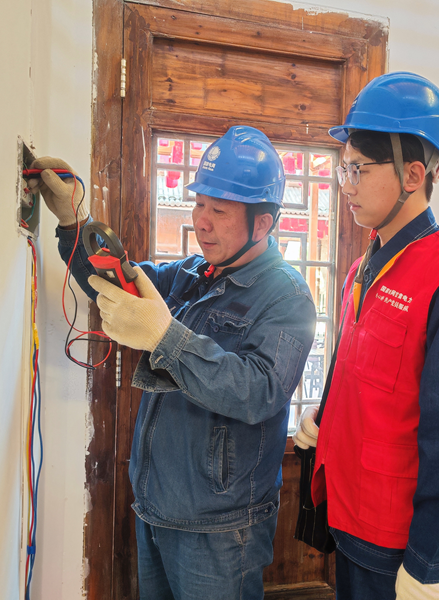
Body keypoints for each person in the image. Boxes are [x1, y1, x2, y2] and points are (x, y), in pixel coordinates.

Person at [29, 126, 316, 600]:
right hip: (157, 508)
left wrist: (166, 337)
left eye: (219, 211)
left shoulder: (287, 296)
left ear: (263, 223)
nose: (201, 221)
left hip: (221, 529)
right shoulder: (192, 273)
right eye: (199, 204)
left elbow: (259, 391)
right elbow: (118, 284)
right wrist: (75, 222)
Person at [293, 72, 439, 600]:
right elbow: (364, 374)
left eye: (359, 170)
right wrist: (326, 416)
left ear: (413, 174)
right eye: (343, 169)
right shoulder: (366, 265)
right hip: (353, 521)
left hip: (404, 548)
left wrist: (428, 566)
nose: (346, 185)